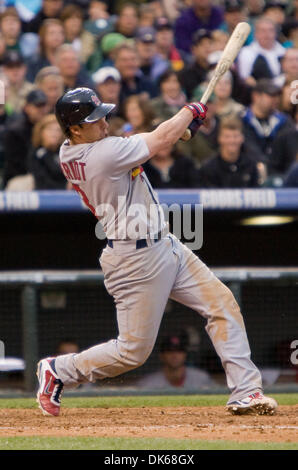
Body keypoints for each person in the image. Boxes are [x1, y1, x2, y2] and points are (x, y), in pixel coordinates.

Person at [36, 86, 277, 417]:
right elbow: (160, 139)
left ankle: (246, 391)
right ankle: (60, 369)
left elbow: (155, 142)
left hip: (164, 244)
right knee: (132, 352)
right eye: (94, 120)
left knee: (221, 304)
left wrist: (180, 130)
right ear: (75, 129)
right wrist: (189, 112)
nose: (104, 123)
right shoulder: (100, 155)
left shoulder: (70, 150)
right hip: (136, 259)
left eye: (103, 114)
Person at [197, 117, 263, 188]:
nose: (232, 141)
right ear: (219, 138)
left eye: (235, 136)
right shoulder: (208, 168)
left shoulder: (251, 166)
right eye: (227, 137)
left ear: (242, 138)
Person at [242, 79, 294, 165]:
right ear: (256, 96)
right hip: (250, 169)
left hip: (279, 170)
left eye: (277, 95)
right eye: (271, 95)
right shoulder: (243, 120)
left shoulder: (284, 121)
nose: (276, 99)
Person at [3, 89, 48, 188]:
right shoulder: (15, 131)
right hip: (19, 179)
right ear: (27, 107)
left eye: (44, 105)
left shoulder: (50, 127)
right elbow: (16, 166)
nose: (42, 109)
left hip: (45, 177)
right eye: (37, 105)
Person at [137, 334, 214, 389]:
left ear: (185, 354)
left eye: (179, 351)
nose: (175, 355)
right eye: (170, 351)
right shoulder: (149, 383)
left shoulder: (201, 378)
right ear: (161, 356)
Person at [237, 17, 285, 83]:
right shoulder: (246, 52)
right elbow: (245, 78)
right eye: (263, 31)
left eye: (270, 30)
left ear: (276, 33)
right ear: (255, 34)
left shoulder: (283, 52)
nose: (267, 34)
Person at [29, 113, 66, 189]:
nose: (54, 134)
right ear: (41, 132)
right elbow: (42, 180)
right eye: (50, 129)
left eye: (58, 130)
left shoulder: (65, 152)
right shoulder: (36, 153)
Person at [178, 29, 213, 100]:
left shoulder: (219, 68)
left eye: (209, 43)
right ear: (194, 49)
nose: (207, 47)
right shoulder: (187, 74)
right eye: (202, 44)